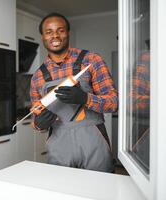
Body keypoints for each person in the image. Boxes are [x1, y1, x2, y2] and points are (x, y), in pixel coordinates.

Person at [30, 13, 118, 172]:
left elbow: (113, 103)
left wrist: (85, 98)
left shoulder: (91, 61)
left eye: (60, 30)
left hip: (94, 142)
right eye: (49, 32)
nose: (55, 35)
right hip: (59, 145)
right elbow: (35, 119)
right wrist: (39, 123)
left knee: (99, 191)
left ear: (68, 33)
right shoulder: (38, 76)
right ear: (43, 37)